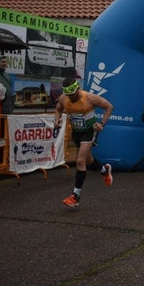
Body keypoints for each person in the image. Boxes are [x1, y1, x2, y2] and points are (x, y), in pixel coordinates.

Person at [54, 77, 114, 207]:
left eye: (73, 94)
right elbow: (58, 109)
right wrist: (57, 119)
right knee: (88, 160)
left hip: (89, 131)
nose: (71, 97)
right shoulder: (64, 98)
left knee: (80, 161)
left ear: (77, 88)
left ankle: (75, 196)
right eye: (68, 95)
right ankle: (105, 170)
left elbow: (109, 107)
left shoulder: (90, 98)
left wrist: (102, 123)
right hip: (76, 132)